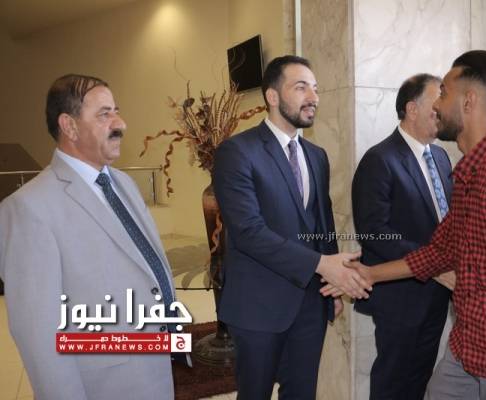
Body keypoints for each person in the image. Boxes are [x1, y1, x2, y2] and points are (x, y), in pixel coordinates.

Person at [326, 50, 486, 399]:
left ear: (468, 101)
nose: (436, 105)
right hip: (465, 353)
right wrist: (368, 274)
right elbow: (440, 252)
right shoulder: (467, 172)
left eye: (443, 93)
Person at [0, 74, 178, 399]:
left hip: (155, 369)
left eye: (116, 111)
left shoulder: (124, 183)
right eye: (104, 114)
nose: (120, 123)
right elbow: (39, 334)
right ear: (69, 126)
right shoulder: (28, 208)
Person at [213, 55, 369, 400]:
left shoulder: (316, 155)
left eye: (315, 89)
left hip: (310, 304)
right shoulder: (237, 152)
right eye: (301, 88)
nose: (313, 97)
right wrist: (321, 265)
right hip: (257, 305)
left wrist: (331, 286)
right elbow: (248, 232)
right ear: (272, 96)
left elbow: (322, 225)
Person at [352, 73, 453, 399]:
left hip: (437, 294)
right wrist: (432, 263)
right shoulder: (379, 160)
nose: (442, 109)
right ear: (412, 109)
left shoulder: (441, 157)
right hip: (400, 297)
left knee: (420, 379)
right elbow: (374, 232)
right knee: (393, 383)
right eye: (436, 103)